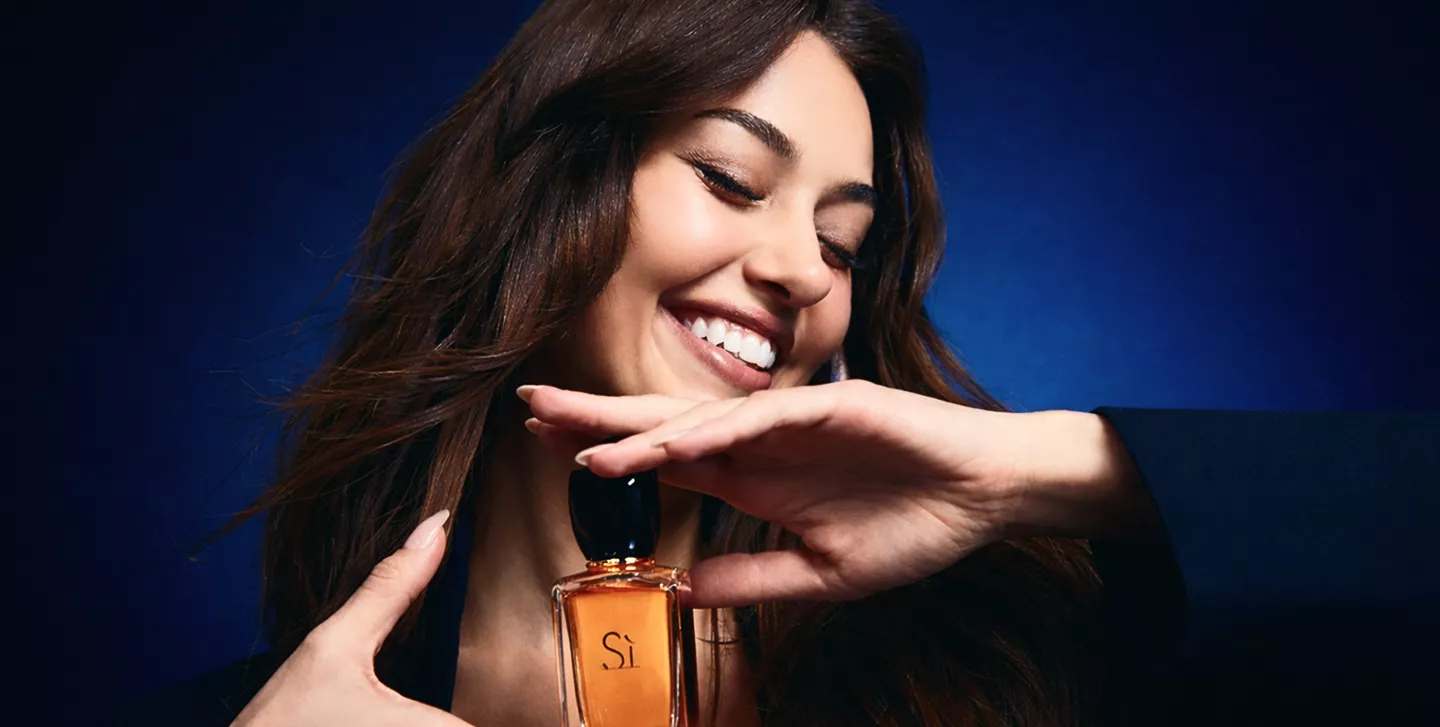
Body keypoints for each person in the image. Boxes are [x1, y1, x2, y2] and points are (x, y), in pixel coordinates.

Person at [120, 0, 1440, 725]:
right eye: (730, 177)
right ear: (546, 195)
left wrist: (1049, 469)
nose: (805, 267)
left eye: (844, 240)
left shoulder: (1016, 659)